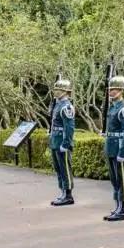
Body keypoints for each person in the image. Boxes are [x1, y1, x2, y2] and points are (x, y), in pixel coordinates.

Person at [103, 75, 124, 221]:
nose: (112, 91)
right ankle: (117, 206)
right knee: (114, 179)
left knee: (121, 179)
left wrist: (122, 152)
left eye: (115, 89)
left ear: (121, 90)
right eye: (111, 89)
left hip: (119, 148)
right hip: (111, 146)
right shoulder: (112, 107)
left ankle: (123, 209)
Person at [49, 78, 76, 206]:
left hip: (62, 142)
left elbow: (69, 127)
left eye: (58, 89)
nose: (56, 91)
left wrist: (66, 143)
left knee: (65, 168)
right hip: (55, 141)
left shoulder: (66, 107)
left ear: (65, 91)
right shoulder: (58, 104)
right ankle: (63, 192)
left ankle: (68, 194)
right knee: (58, 168)